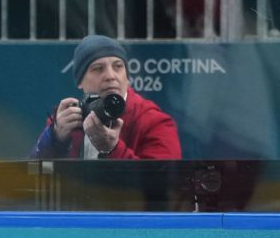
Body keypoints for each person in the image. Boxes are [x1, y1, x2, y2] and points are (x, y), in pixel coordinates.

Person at [30, 35, 181, 161]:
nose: (110, 76)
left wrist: (113, 149)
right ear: (80, 82)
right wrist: (55, 138)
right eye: (98, 69)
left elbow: (165, 185)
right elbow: (31, 177)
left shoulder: (154, 122)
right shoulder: (69, 119)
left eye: (118, 66)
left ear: (127, 77)